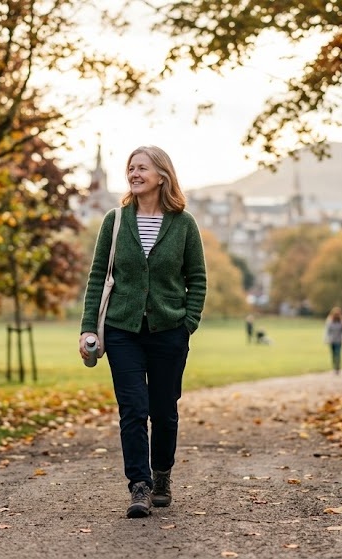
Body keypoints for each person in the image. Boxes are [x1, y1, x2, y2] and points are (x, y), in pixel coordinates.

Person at [78, 145, 207, 519]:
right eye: (131, 168)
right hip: (123, 331)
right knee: (133, 409)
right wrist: (88, 327)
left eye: (142, 168)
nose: (134, 174)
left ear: (162, 176)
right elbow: (98, 276)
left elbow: (197, 279)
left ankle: (162, 473)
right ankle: (139, 485)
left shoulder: (184, 224)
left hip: (169, 332)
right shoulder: (115, 220)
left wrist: (187, 324)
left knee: (163, 411)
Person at [324, 307, 342, 374]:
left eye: (337, 314)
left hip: (339, 341)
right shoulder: (329, 321)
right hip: (332, 340)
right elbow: (327, 331)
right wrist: (326, 339)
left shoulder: (341, 321)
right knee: (333, 354)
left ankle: (338, 367)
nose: (336, 315)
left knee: (338, 354)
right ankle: (334, 367)